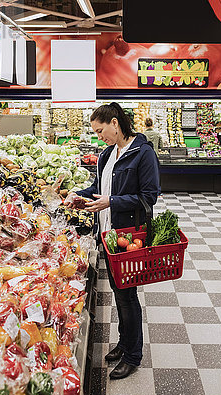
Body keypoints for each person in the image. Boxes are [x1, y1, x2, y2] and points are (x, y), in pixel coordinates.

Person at [73, 102, 160, 380]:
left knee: (127, 295)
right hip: (108, 236)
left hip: (128, 237)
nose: (100, 137)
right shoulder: (107, 155)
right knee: (119, 294)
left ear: (114, 122)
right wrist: (77, 195)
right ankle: (124, 344)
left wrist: (111, 202)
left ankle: (133, 355)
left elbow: (149, 197)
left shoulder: (142, 153)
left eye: (101, 131)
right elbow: (98, 189)